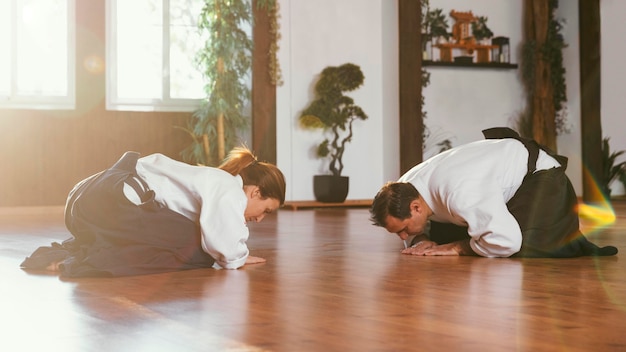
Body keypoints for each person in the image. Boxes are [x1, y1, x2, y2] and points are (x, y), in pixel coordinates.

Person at [21, 146, 286, 277]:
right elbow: (225, 246)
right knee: (197, 251)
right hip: (109, 201)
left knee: (182, 238)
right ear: (255, 193)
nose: (260, 218)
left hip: (88, 200)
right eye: (267, 210)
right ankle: (81, 263)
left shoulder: (213, 180)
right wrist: (239, 257)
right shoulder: (229, 187)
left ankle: (71, 255)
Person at [370, 127, 618, 258]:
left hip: (540, 180)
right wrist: (419, 240)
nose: (402, 236)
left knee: (522, 247)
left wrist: (458, 248)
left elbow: (507, 242)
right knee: (448, 237)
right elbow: (416, 231)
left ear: (416, 207)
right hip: (489, 178)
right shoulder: (404, 186)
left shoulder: (460, 192)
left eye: (403, 229)